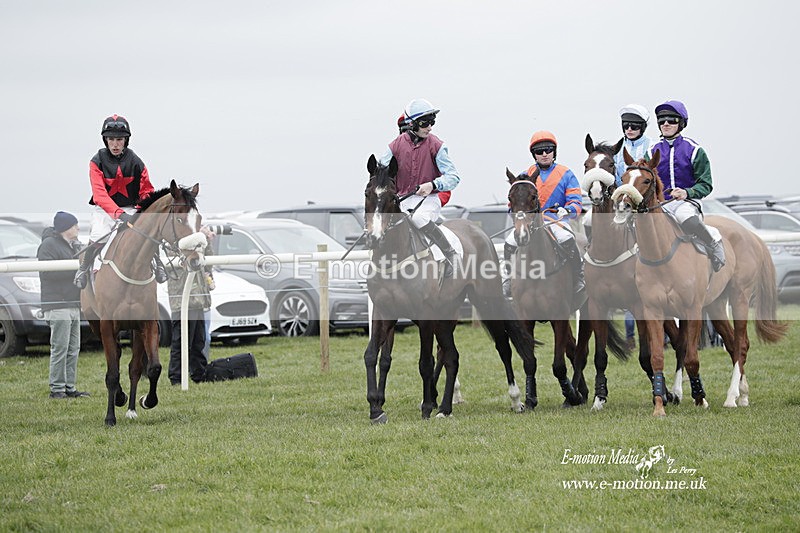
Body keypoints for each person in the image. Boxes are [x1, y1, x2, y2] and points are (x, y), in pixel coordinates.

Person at [74, 115, 167, 289]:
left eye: (119, 139)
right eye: (111, 139)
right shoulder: (96, 161)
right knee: (97, 234)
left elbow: (146, 190)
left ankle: (157, 263)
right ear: (105, 140)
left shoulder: (136, 161)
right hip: (105, 209)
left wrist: (141, 209)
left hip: (130, 207)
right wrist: (118, 214)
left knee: (147, 231)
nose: (115, 144)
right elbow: (100, 195)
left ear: (126, 141)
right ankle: (84, 267)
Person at [380, 99, 460, 277]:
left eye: (432, 122)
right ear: (411, 124)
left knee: (418, 219)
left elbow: (454, 177)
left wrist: (433, 185)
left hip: (429, 199)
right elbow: (380, 170)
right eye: (425, 123)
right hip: (403, 199)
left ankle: (450, 254)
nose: (430, 127)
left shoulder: (436, 145)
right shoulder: (394, 146)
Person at [503, 131, 586, 303]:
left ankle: (578, 278)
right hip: (529, 223)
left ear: (554, 152)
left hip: (557, 221)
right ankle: (509, 278)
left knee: (567, 238)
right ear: (534, 154)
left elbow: (576, 201)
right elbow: (513, 203)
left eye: (548, 150)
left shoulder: (566, 173)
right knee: (510, 242)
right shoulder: (525, 175)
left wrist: (568, 210)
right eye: (540, 151)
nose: (545, 154)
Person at [648, 100, 725, 272]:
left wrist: (687, 192)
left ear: (681, 123)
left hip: (687, 203)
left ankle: (712, 243)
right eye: (662, 120)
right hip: (661, 205)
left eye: (671, 120)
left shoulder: (695, 150)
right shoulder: (651, 151)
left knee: (686, 219)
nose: (666, 124)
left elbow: (706, 184)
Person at [38, 211, 89, 399]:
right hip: (57, 305)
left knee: (73, 348)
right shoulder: (48, 246)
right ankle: (57, 388)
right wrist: (76, 268)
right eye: (75, 225)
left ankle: (69, 387)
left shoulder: (72, 246)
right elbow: (47, 274)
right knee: (60, 347)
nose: (78, 228)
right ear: (66, 228)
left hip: (73, 304)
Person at [167, 226, 214, 384]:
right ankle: (176, 378)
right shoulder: (171, 238)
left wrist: (206, 240)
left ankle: (199, 374)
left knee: (198, 341)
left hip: (198, 298)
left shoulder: (196, 241)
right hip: (182, 300)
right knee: (180, 341)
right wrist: (198, 237)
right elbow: (179, 258)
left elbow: (208, 261)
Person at [614, 104, 655, 184]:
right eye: (626, 126)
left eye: (634, 126)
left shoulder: (652, 146)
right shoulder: (617, 148)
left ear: (643, 127)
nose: (629, 129)